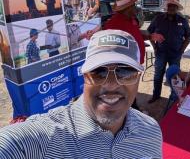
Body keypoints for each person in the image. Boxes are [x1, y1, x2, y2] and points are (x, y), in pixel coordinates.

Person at [0, 29, 162, 158]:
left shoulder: (151, 130)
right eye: (99, 72)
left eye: (125, 72)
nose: (111, 84)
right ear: (85, 76)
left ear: (138, 79)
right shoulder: (47, 137)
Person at [104, 0, 164, 109]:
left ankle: (133, 107)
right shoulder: (113, 24)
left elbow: (136, 33)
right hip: (125, 66)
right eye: (133, 5)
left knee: (132, 89)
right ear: (127, 8)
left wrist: (150, 36)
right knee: (126, 89)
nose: (136, 7)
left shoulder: (131, 19)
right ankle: (132, 111)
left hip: (135, 63)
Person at [147, 0, 190, 103]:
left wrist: (181, 51)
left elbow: (188, 36)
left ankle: (173, 97)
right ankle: (156, 95)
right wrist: (154, 47)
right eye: (169, 6)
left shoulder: (182, 20)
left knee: (175, 77)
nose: (171, 8)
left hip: (175, 54)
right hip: (161, 53)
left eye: (174, 6)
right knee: (158, 75)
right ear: (167, 7)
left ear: (177, 8)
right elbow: (150, 33)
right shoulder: (158, 19)